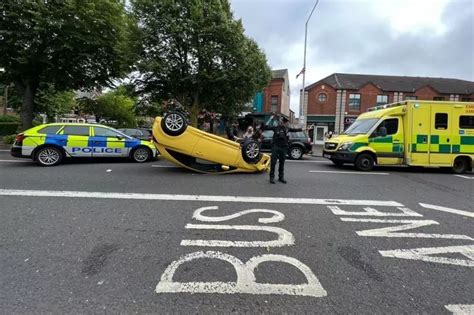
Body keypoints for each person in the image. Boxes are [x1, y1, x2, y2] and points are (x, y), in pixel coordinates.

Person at [265, 115, 302, 184]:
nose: (282, 122)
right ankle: (272, 177)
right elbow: (265, 127)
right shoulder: (275, 128)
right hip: (276, 147)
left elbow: (295, 130)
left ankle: (281, 177)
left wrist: (304, 129)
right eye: (281, 121)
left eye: (283, 121)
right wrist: (270, 118)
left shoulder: (287, 129)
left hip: (284, 147)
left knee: (282, 163)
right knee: (273, 163)